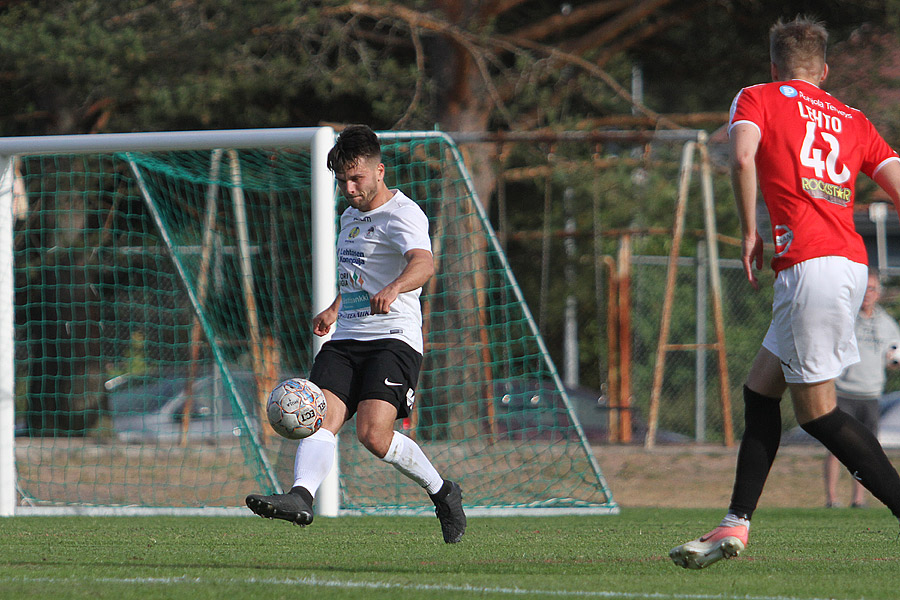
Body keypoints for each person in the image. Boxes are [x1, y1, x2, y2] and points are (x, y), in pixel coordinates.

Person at [670, 16, 900, 569]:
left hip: (809, 266)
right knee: (760, 391)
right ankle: (735, 523)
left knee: (819, 414)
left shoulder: (759, 97)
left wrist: (749, 229)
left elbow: (743, 155)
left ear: (774, 66)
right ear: (825, 69)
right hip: (847, 264)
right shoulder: (853, 118)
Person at [246, 124, 466, 544]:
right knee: (320, 421)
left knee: (372, 435)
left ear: (379, 171)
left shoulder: (403, 213)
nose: (348, 188)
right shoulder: (349, 215)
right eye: (342, 180)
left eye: (356, 178)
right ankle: (300, 497)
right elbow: (357, 278)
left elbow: (424, 264)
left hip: (394, 337)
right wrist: (334, 306)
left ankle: (443, 493)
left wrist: (396, 287)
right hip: (346, 336)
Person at [825, 268, 900, 508]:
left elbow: (893, 355)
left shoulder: (887, 323)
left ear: (879, 293)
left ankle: (858, 499)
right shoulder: (844, 318)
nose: (867, 294)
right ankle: (832, 499)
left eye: (872, 289)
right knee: (836, 447)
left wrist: (894, 359)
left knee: (866, 449)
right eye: (863, 289)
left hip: (871, 395)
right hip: (844, 392)